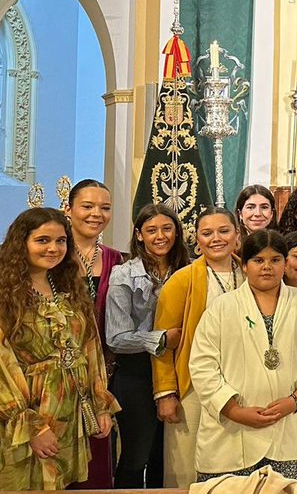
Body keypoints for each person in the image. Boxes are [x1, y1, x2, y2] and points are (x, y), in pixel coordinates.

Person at [189, 230, 297, 485]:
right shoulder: (221, 308)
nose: (267, 267)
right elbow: (202, 366)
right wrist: (234, 410)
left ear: (285, 263)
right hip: (231, 433)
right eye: (258, 260)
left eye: (275, 260)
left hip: (288, 429)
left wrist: (295, 400)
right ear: (244, 265)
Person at [0, 208, 118, 490]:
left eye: (61, 241)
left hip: (68, 409)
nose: (53, 248)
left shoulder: (70, 286)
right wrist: (31, 425)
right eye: (42, 240)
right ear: (21, 243)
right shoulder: (6, 292)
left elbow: (91, 350)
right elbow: (2, 365)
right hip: (22, 415)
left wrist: (101, 404)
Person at [152, 207, 243, 487]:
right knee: (184, 465)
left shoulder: (251, 274)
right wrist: (165, 393)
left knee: (232, 464)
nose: (216, 238)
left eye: (223, 231)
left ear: (237, 236)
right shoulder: (182, 280)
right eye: (207, 233)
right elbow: (162, 342)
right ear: (197, 240)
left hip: (240, 382)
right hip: (191, 385)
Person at [107, 204, 190, 488]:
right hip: (137, 373)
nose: (160, 236)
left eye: (167, 229)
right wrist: (162, 338)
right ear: (139, 235)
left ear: (177, 232)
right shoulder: (123, 274)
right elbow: (116, 338)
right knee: (136, 456)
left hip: (178, 370)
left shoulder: (189, 271)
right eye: (151, 230)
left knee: (167, 457)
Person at [63, 178, 123, 489]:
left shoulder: (117, 260)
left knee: (96, 460)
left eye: (105, 208)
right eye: (87, 206)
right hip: (56, 374)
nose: (96, 214)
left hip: (101, 372)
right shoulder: (51, 254)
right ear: (68, 209)